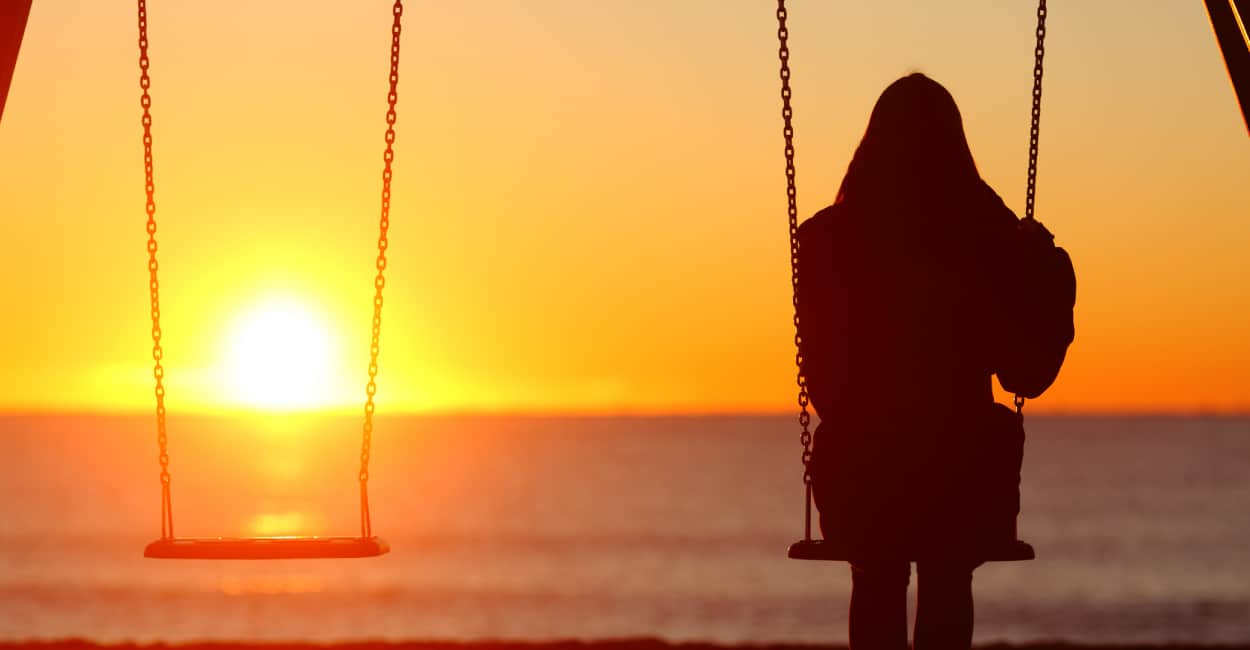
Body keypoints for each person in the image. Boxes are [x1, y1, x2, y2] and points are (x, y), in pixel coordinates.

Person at [795, 73, 1075, 649]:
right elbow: (1027, 372)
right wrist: (1044, 263)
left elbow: (824, 385)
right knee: (948, 572)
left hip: (863, 477)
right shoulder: (989, 238)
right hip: (964, 476)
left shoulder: (825, 240)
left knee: (875, 570)